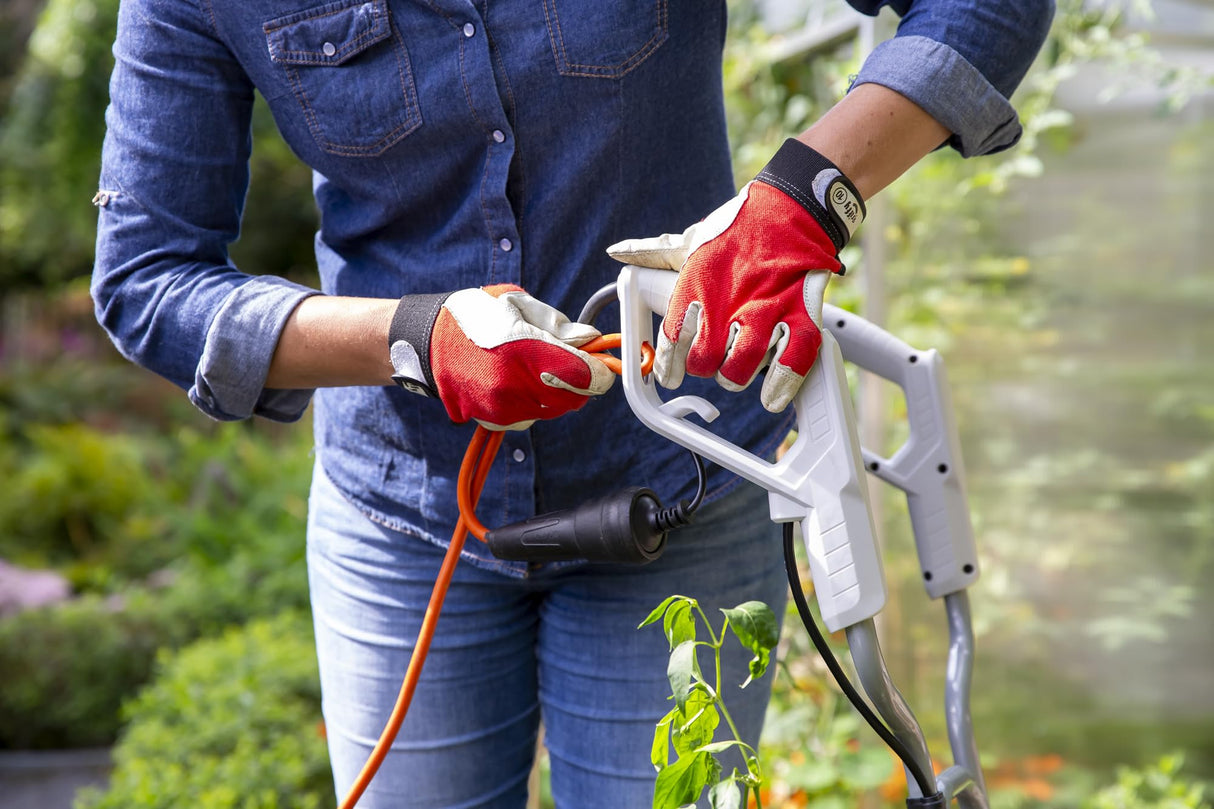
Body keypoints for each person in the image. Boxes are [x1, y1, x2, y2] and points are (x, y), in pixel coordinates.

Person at [92, 0, 1053, 806]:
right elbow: (146, 275)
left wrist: (809, 193)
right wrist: (413, 339)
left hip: (682, 480)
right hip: (405, 519)